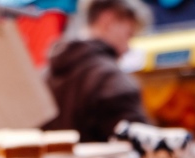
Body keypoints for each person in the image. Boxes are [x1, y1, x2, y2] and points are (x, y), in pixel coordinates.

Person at [42, 0, 152, 142]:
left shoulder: (46, 75)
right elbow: (141, 144)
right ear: (108, 19)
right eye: (129, 34)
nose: (127, 48)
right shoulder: (111, 79)